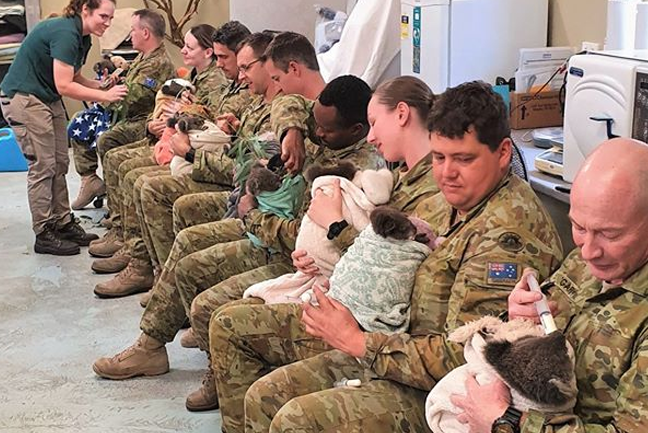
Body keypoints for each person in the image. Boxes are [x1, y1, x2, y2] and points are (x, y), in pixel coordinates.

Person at [209, 81, 564, 433]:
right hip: (396, 342)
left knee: (295, 418)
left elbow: (465, 355)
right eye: (439, 157)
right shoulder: (464, 200)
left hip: (436, 387)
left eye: (464, 159)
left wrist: (359, 342)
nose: (446, 173)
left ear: (503, 154)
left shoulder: (507, 234)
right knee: (265, 395)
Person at [92, 75, 384, 414]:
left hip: (294, 256)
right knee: (189, 248)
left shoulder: (359, 170)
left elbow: (309, 239)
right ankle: (153, 344)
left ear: (357, 130)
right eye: (314, 126)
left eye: (326, 131)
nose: (316, 133)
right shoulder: (326, 126)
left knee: (205, 302)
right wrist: (292, 132)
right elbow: (288, 104)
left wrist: (252, 216)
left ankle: (215, 371)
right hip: (270, 228)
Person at [452, 137, 648, 433]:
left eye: (610, 235)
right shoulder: (589, 262)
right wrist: (519, 320)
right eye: (579, 228)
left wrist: (505, 423)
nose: (587, 252)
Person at [91, 31, 280, 298]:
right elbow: (232, 142)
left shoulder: (270, 105)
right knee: (124, 165)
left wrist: (191, 152)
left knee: (147, 184)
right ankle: (144, 262)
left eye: (224, 57)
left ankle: (160, 277)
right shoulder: (242, 92)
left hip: (227, 181)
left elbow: (244, 167)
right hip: (206, 159)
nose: (221, 64)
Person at [89, 24, 227, 276]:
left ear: (208, 52)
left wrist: (175, 120)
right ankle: (128, 242)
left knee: (131, 172)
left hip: (195, 152)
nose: (183, 50)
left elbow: (211, 125)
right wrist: (155, 126)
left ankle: (143, 262)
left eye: (189, 46)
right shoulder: (194, 77)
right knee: (116, 158)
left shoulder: (215, 81)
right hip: (171, 139)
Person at [0, 0, 127, 255]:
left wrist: (100, 86)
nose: (108, 22)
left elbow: (75, 76)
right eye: (103, 16)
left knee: (60, 162)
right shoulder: (65, 32)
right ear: (85, 10)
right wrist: (107, 97)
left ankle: (62, 221)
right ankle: (44, 231)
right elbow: (64, 85)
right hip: (25, 97)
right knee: (43, 166)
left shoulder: (84, 37)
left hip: (46, 96)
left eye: (110, 18)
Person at [70, 8, 175, 211]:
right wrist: (112, 83)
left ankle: (118, 207)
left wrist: (103, 97)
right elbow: (128, 86)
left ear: (145, 33)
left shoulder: (158, 63)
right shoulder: (143, 57)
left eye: (133, 30)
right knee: (80, 120)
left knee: (106, 138)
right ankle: (89, 179)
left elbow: (133, 98)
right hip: (128, 114)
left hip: (143, 120)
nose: (129, 35)